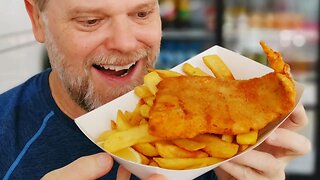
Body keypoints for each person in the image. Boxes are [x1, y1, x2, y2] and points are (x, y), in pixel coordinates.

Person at [0, 0, 311, 179]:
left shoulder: (228, 151)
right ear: (36, 21)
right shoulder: (6, 139)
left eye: (142, 13)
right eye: (91, 20)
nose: (124, 42)